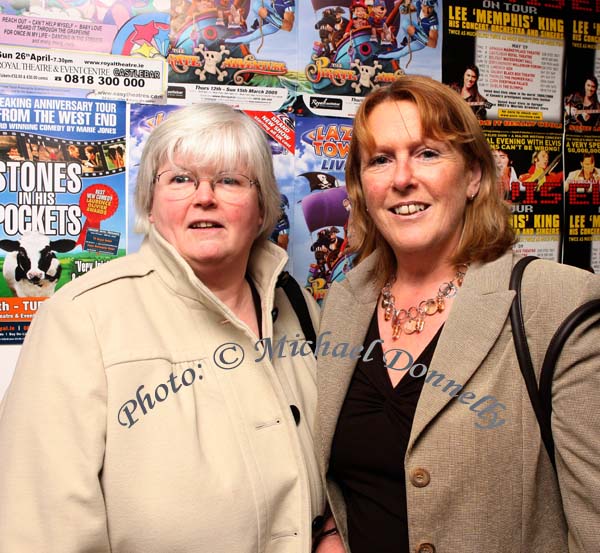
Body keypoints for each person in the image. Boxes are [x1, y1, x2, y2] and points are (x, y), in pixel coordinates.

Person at [0, 103, 324, 552]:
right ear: (150, 205)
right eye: (180, 179)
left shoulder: (298, 306)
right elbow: (41, 530)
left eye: (230, 180)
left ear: (263, 207)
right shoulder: (80, 318)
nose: (204, 196)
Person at [313, 76, 600, 553]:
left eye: (427, 153)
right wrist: (331, 532)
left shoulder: (558, 304)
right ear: (362, 187)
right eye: (381, 160)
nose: (402, 177)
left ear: (474, 177)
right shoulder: (344, 302)